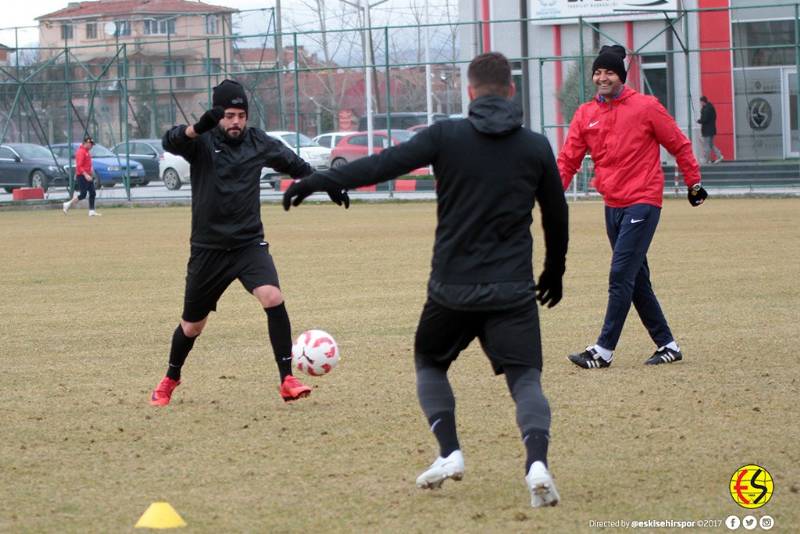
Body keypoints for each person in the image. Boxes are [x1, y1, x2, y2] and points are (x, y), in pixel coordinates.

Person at [283, 52, 569, 508]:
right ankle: (537, 463)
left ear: (470, 92)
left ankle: (450, 452)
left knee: (430, 364)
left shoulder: (446, 136)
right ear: (511, 92)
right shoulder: (534, 146)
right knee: (525, 379)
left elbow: (383, 164)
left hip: (451, 289)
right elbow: (556, 213)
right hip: (512, 289)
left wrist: (319, 179)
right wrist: (555, 269)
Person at [149, 79, 349, 406]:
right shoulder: (200, 142)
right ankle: (171, 376)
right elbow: (170, 141)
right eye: (229, 115)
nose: (236, 121)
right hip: (208, 251)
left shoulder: (258, 142)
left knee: (272, 296)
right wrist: (196, 128)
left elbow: (297, 166)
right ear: (218, 116)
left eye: (241, 114)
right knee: (192, 326)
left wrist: (328, 183)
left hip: (247, 245)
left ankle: (287, 379)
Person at [557, 44, 708, 370]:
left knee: (620, 275)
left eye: (609, 71)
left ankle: (603, 350)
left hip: (643, 201)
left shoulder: (646, 107)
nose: (602, 77)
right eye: (598, 72)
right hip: (612, 205)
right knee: (636, 279)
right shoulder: (586, 114)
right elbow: (568, 160)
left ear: (621, 76)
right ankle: (667, 345)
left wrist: (694, 182)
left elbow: (679, 144)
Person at [63, 136, 100, 216]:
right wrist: (86, 175)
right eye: (91, 144)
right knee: (83, 194)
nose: (92, 146)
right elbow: (79, 166)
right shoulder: (81, 152)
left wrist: (90, 173)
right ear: (86, 143)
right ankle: (67, 204)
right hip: (82, 176)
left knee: (92, 193)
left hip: (88, 175)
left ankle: (91, 211)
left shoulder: (87, 152)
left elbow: (88, 165)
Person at [697, 96, 723, 164]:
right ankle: (719, 156)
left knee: (706, 145)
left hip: (707, 130)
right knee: (711, 145)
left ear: (703, 102)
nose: (700, 103)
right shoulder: (711, 107)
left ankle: (706, 159)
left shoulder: (706, 109)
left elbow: (704, 119)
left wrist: (699, 121)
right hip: (711, 129)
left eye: (701, 102)